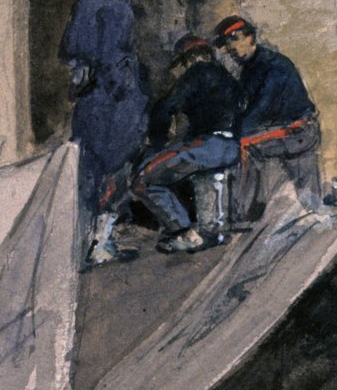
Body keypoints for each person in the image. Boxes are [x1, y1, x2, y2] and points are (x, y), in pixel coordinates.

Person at [59, 0, 151, 265]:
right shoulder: (115, 1)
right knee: (115, 170)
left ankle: (86, 244)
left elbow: (70, 48)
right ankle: (101, 244)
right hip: (112, 102)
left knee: (89, 171)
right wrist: (129, 94)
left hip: (88, 99)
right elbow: (113, 57)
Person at [130, 35, 244, 253]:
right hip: (231, 147)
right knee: (207, 176)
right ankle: (213, 231)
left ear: (189, 58)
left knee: (143, 181)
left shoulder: (196, 73)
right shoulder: (229, 79)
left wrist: (157, 143)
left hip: (206, 146)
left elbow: (166, 108)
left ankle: (182, 231)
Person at [212, 15, 323, 217]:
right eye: (227, 44)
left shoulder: (273, 65)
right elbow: (243, 107)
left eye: (235, 39)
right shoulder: (249, 68)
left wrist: (234, 133)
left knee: (244, 146)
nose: (230, 48)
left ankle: (246, 215)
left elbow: (261, 108)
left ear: (250, 38)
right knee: (309, 197)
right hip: (288, 130)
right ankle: (310, 213)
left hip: (297, 131)